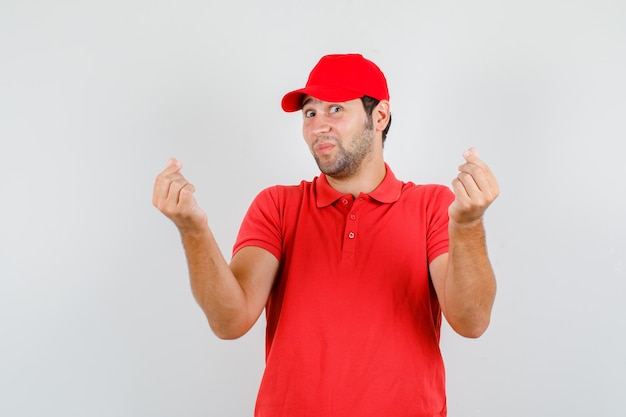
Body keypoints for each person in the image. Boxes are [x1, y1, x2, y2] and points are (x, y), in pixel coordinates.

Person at [152, 53, 499, 417]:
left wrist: (467, 225)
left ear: (379, 116)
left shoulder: (432, 205)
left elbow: (472, 321)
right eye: (310, 113)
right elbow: (230, 321)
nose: (318, 126)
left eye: (335, 109)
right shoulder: (277, 206)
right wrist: (193, 229)